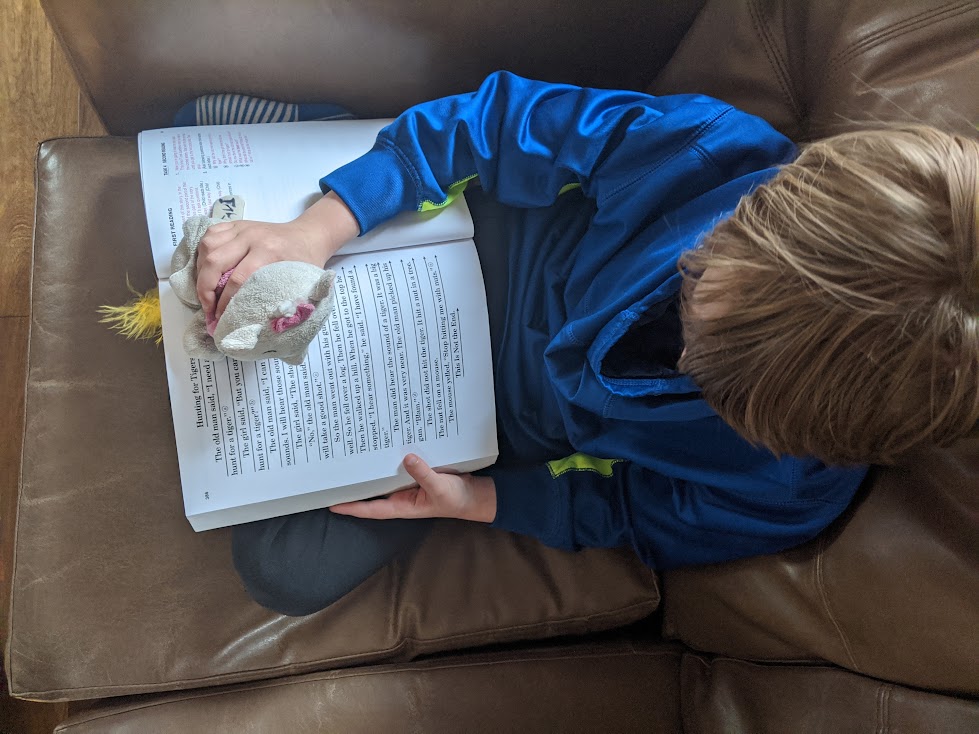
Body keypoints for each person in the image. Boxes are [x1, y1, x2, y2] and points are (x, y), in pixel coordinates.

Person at [190, 72, 979, 616]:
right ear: (772, 197)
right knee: (321, 194)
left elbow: (633, 514)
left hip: (499, 426)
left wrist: (481, 502)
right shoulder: (712, 152)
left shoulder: (790, 489)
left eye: (705, 364)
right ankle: (307, 138)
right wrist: (317, 231)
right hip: (480, 249)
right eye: (704, 267)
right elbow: (493, 125)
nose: (690, 302)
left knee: (286, 572)